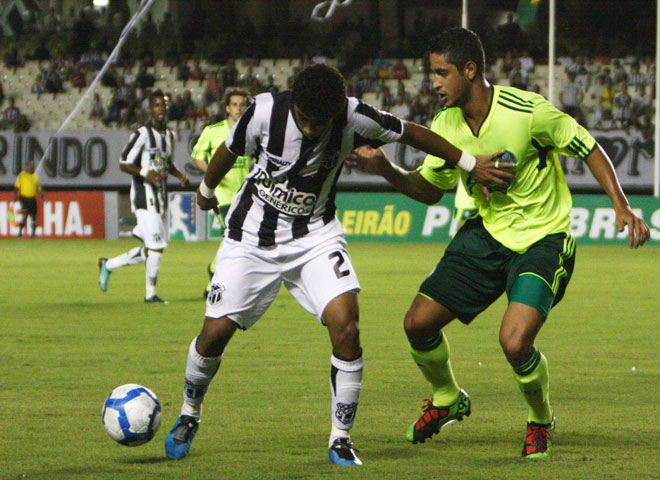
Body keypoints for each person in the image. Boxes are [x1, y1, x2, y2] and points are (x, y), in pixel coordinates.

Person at [163, 63, 509, 465]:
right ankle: (189, 414)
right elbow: (228, 151)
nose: (311, 130)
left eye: (320, 123)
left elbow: (414, 133)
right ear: (296, 105)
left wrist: (469, 163)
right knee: (214, 336)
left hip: (314, 234)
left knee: (346, 324)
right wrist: (206, 192)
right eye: (305, 121)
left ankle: (341, 438)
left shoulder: (353, 115)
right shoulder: (263, 112)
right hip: (251, 236)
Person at [347, 28, 650, 459]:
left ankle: (540, 419)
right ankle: (448, 397)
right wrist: (387, 171)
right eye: (431, 73)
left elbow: (588, 146)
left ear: (470, 70)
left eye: (441, 72)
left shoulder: (527, 112)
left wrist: (621, 206)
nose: (433, 82)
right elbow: (431, 190)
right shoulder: (445, 124)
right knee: (417, 324)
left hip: (544, 239)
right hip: (487, 236)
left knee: (514, 342)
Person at [98, 89, 189, 303]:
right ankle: (151, 295)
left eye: (164, 105)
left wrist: (179, 175)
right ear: (150, 109)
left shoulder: (170, 136)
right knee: (156, 249)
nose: (161, 109)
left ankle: (108, 265)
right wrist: (144, 172)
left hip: (160, 198)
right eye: (157, 105)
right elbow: (123, 162)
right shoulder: (141, 134)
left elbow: (166, 163)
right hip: (143, 195)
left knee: (151, 249)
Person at [191, 89, 253, 298]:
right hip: (222, 195)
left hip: (244, 194)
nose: (238, 108)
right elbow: (197, 156)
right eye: (234, 104)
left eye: (242, 104)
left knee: (235, 236)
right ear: (227, 108)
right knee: (235, 234)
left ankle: (215, 271)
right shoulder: (213, 131)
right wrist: (212, 172)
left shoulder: (251, 131)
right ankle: (218, 281)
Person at [14, 160, 44, 238]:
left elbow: (38, 189)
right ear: (27, 167)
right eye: (30, 166)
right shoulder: (22, 175)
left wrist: (43, 196)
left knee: (33, 216)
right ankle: (20, 233)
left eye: (32, 167)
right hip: (24, 198)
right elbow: (16, 187)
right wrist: (15, 196)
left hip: (32, 199)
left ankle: (33, 234)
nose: (31, 168)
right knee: (25, 215)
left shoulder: (35, 178)